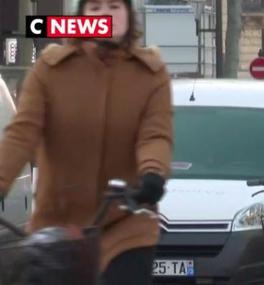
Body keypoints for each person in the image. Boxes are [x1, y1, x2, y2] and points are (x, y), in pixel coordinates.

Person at [0, 0, 172, 284]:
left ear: (129, 16)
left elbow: (155, 134)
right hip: (59, 229)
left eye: (114, 8)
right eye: (95, 9)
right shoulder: (51, 68)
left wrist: (152, 174)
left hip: (125, 223)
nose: (104, 16)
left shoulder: (150, 73)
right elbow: (22, 133)